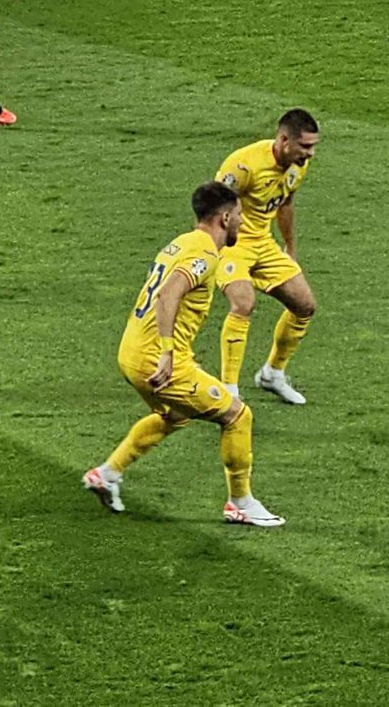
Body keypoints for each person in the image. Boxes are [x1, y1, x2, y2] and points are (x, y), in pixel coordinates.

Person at [82, 181, 284, 526]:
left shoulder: (181, 243)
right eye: (238, 216)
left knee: (177, 416)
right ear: (223, 218)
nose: (242, 223)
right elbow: (169, 294)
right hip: (156, 360)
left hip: (129, 352)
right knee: (237, 415)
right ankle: (240, 503)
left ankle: (108, 473)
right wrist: (166, 352)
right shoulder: (204, 253)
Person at [215, 109, 320, 405]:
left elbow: (285, 203)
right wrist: (211, 249)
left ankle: (272, 373)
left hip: (263, 244)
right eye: (305, 146)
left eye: (313, 146)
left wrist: (290, 249)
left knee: (305, 306)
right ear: (284, 140)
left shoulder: (297, 166)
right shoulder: (244, 165)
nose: (310, 154)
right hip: (232, 244)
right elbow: (214, 206)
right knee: (243, 304)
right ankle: (228, 390)